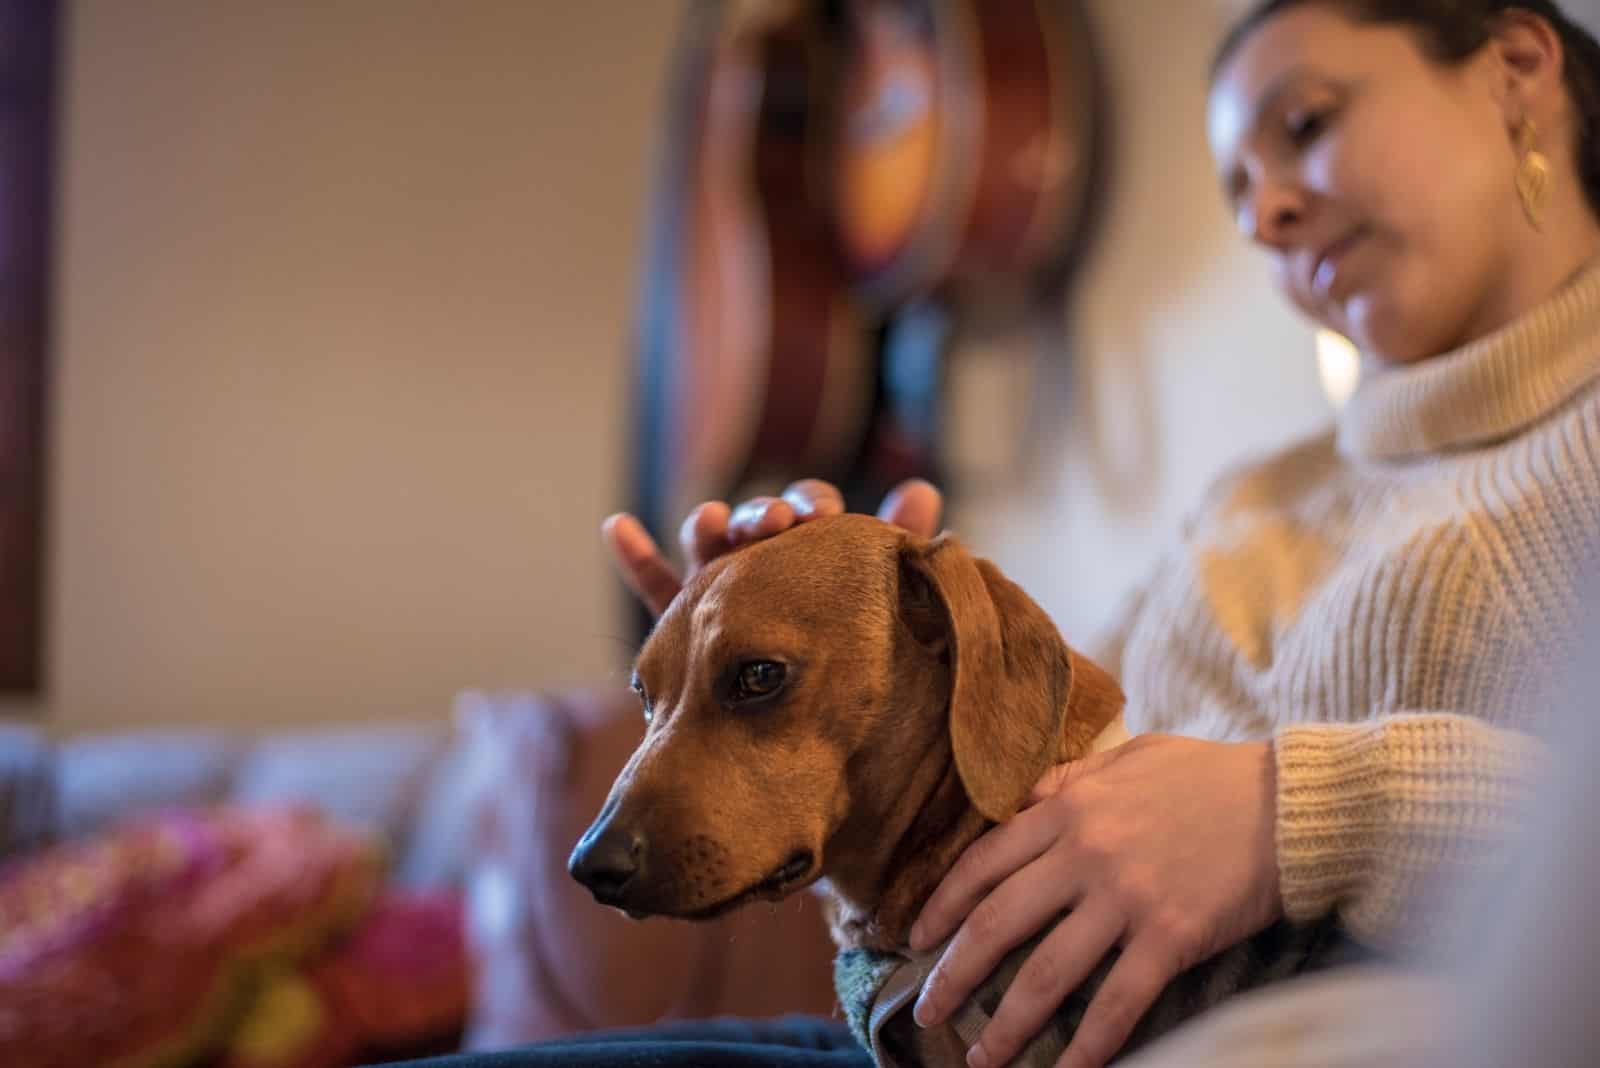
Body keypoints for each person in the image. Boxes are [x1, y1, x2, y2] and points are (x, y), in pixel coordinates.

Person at [394, 2, 1600, 1066]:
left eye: (1305, 125)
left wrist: (1292, 815)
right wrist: (825, 681)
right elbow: (1027, 809)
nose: (1269, 212)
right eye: (1236, 190)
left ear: (1515, 65)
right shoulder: (1256, 497)